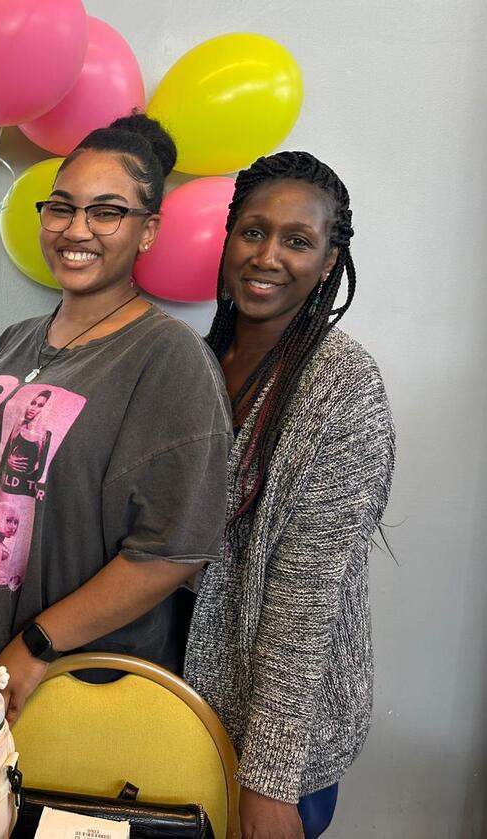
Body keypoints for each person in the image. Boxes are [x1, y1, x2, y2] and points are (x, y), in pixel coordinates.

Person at [0, 113, 232, 722]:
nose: (76, 229)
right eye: (61, 207)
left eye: (106, 212)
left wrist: (38, 644)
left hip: (79, 677)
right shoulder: (17, 340)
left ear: (149, 231)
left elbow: (175, 551)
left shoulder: (169, 359)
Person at [184, 152, 396, 839]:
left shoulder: (342, 385)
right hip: (184, 700)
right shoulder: (199, 357)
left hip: (279, 735)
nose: (267, 255)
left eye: (297, 241)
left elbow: (306, 599)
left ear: (330, 261)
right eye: (253, 231)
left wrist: (268, 778)